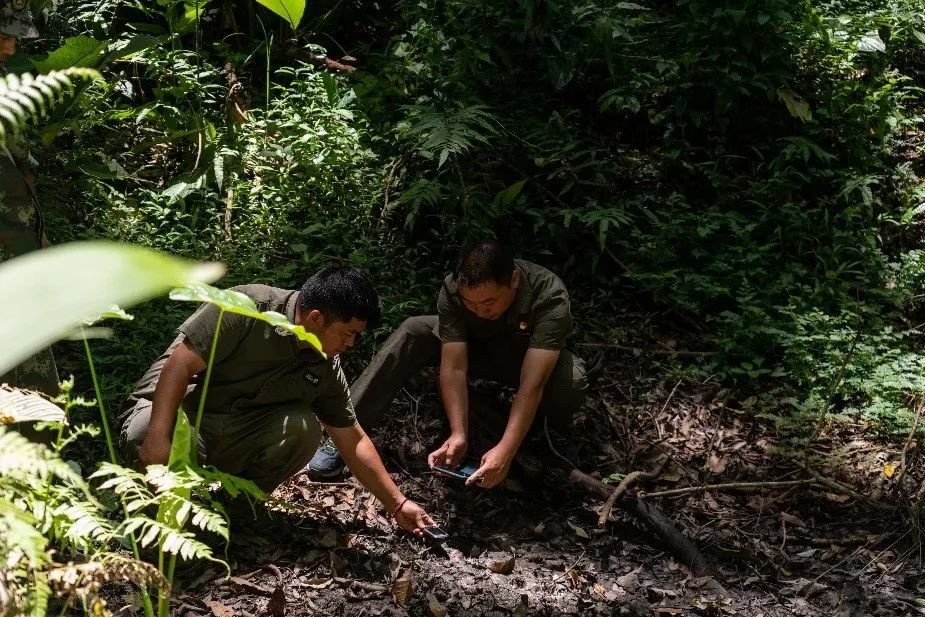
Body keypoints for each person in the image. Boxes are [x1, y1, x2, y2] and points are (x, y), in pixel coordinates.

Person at [119, 267, 434, 535]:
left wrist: (398, 504)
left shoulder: (325, 364)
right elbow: (180, 365)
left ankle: (229, 520)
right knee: (147, 431)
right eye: (347, 333)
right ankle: (159, 522)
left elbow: (351, 439)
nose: (350, 344)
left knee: (303, 428)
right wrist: (159, 438)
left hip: (234, 432)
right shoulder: (246, 306)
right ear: (314, 318)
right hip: (181, 415)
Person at [308, 240, 588, 488]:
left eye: (488, 303)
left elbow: (532, 384)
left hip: (524, 359)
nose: (479, 310)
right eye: (471, 304)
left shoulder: (548, 294)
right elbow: (454, 367)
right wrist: (459, 433)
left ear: (514, 280)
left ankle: (555, 434)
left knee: (571, 378)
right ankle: (344, 432)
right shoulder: (452, 291)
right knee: (414, 329)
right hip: (475, 350)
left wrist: (505, 449)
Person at [0, 0, 59, 394]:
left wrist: (39, 232)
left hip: (17, 244)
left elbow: (24, 165)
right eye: (4, 37)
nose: (10, 49)